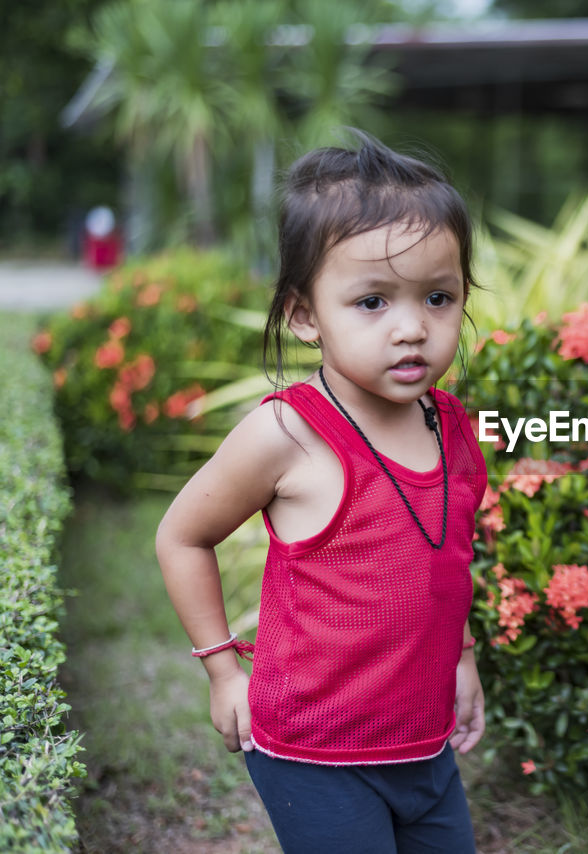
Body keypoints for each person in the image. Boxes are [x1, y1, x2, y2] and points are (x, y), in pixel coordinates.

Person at [155, 131, 488, 853]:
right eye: (372, 302)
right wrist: (220, 671)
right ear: (305, 314)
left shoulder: (455, 428)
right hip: (312, 752)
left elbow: (447, 564)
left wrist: (462, 659)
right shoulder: (287, 435)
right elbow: (182, 536)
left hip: (424, 746)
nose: (412, 329)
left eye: (439, 297)